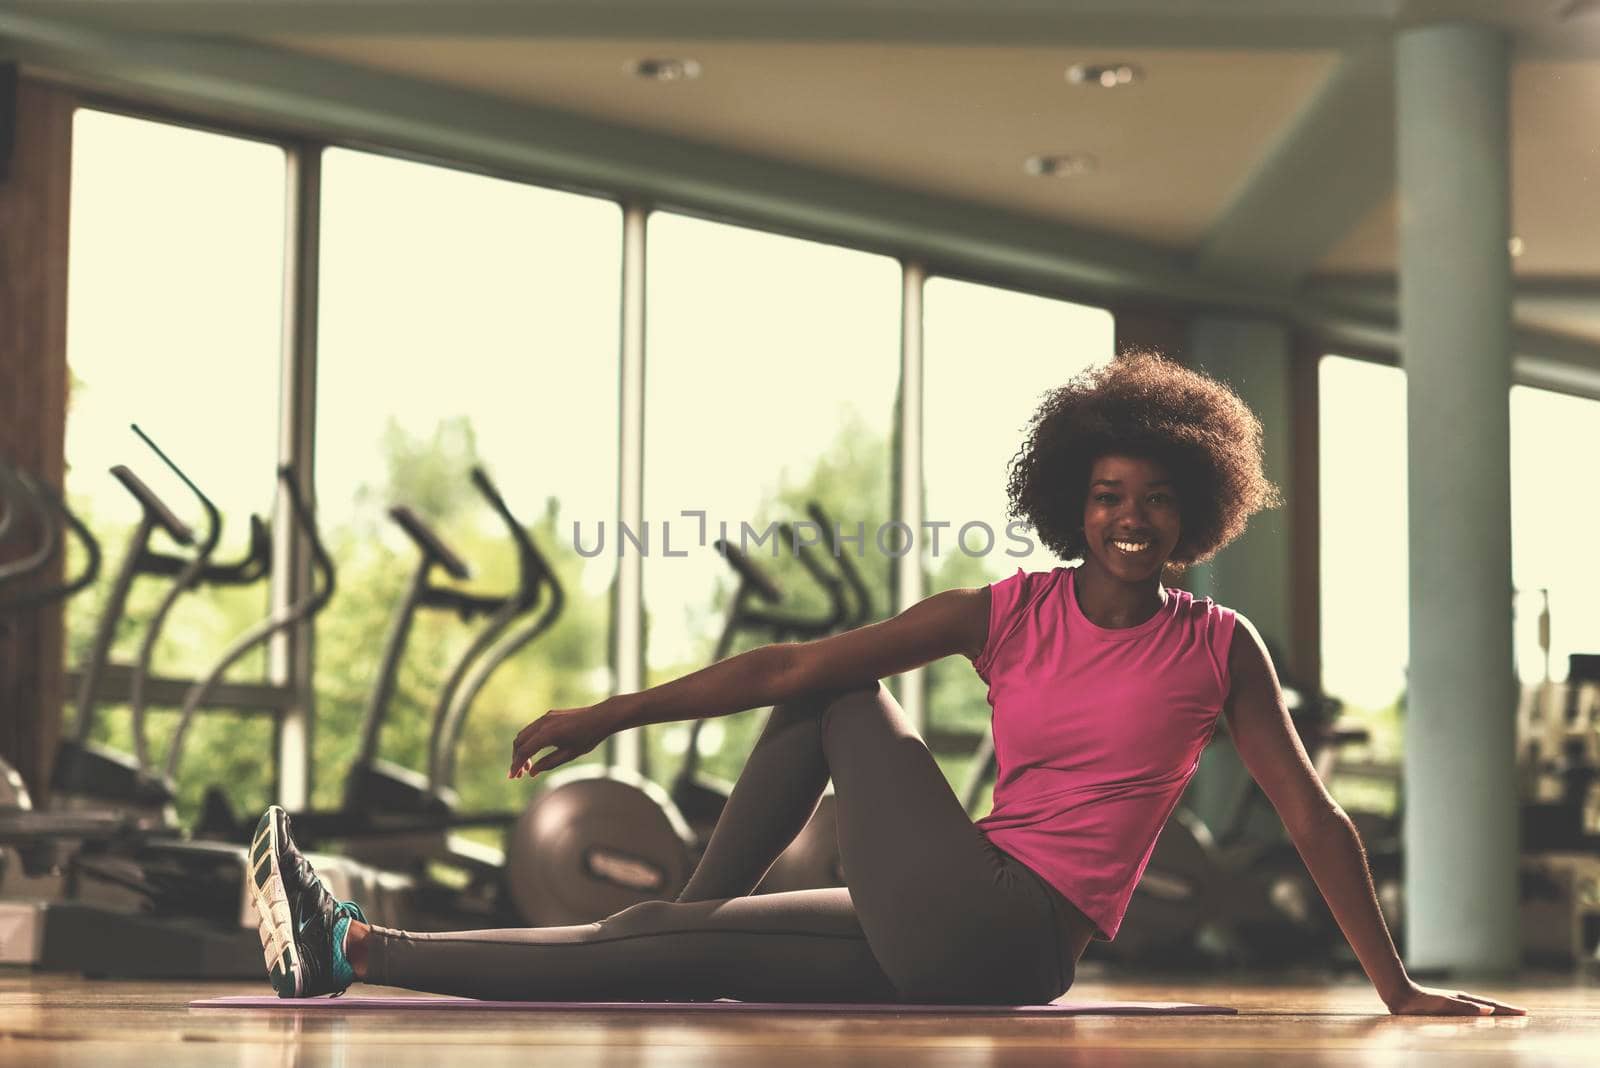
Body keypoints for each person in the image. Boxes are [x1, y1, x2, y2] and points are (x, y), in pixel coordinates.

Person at [250, 351, 1523, 1015]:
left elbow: (1313, 816)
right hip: (955, 925)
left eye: (1154, 501)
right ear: (1072, 507)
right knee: (699, 891)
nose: (1129, 519)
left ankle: (666, 926)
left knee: (839, 698)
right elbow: (784, 663)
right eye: (1105, 497)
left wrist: (1395, 984)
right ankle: (349, 946)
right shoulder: (1005, 610)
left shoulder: (1216, 645)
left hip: (1016, 931)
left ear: (1194, 509)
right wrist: (609, 714)